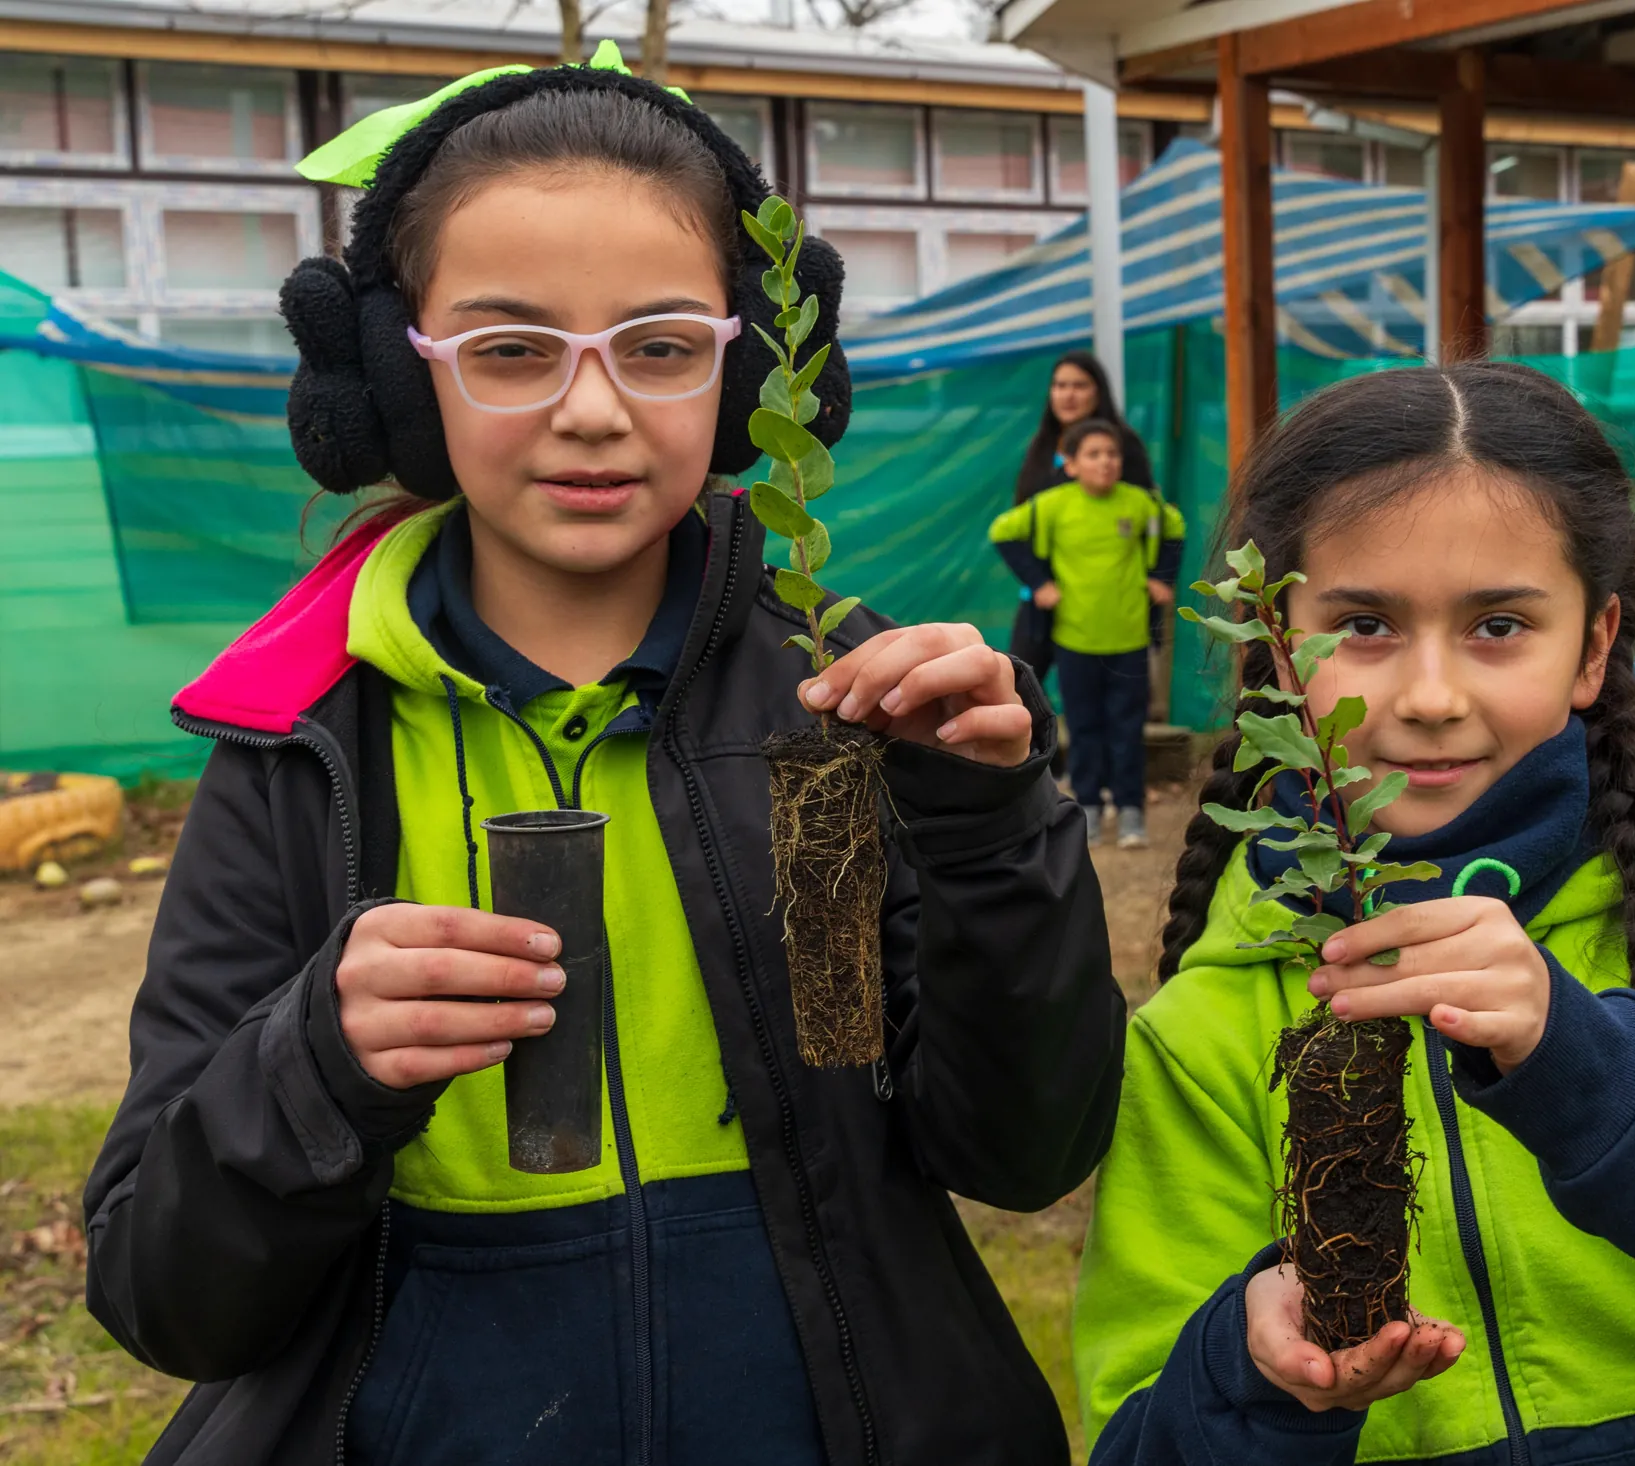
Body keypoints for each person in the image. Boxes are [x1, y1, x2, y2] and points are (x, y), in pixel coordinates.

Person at [81, 54, 1124, 1466]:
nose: (593, 409)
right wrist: (318, 1060)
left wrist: (985, 825)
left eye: (660, 344)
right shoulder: (306, 750)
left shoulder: (828, 712)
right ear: (398, 374)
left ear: (748, 369)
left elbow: (1014, 1153)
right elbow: (166, 1294)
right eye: (511, 349)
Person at [1072, 361, 1635, 1464]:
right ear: (1275, 653)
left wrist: (1587, 1058)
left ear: (1593, 645)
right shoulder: (1208, 1026)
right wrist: (1251, 1372)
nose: (1431, 694)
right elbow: (1137, 1436)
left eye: (1498, 624)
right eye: (1362, 623)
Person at [990, 417, 1183, 849]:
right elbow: (1001, 532)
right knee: (1083, 726)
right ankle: (1090, 809)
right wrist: (1039, 583)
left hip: (1130, 640)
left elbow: (1174, 529)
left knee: (1127, 728)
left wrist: (1162, 578)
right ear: (1072, 463)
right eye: (1094, 454)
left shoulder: (1139, 504)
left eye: (1112, 454)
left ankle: (1132, 811)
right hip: (1074, 641)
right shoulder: (1052, 505)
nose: (1106, 462)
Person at [1012, 349, 1157, 505]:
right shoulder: (1041, 445)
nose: (1068, 395)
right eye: (1060, 386)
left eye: (1080, 386)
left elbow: (1143, 506)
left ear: (1098, 392)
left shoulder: (1123, 442)